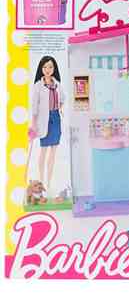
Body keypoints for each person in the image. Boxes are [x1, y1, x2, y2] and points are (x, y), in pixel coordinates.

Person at [31, 56, 65, 194]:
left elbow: (63, 98)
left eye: (50, 67)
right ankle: (41, 180)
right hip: (44, 120)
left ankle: (49, 183)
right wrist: (33, 124)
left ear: (54, 68)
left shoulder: (57, 84)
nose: (47, 69)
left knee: (53, 152)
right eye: (44, 67)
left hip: (55, 118)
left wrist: (59, 107)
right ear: (41, 68)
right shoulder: (38, 86)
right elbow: (34, 106)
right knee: (44, 150)